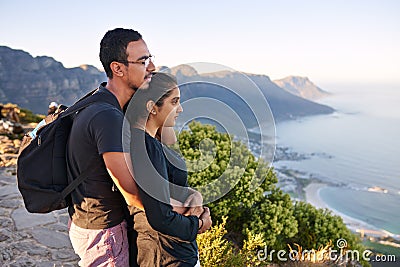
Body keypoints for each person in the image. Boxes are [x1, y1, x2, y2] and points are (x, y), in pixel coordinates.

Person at [66, 28, 155, 266]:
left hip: (88, 221)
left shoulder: (98, 101)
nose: (152, 67)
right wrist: (185, 212)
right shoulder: (107, 116)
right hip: (104, 232)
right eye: (144, 60)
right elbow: (132, 193)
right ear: (118, 68)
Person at [126, 72, 212, 267]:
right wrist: (199, 224)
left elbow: (165, 189)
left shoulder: (149, 141)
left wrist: (194, 196)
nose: (180, 109)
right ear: (152, 107)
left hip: (171, 251)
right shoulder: (146, 146)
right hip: (166, 254)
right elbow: (160, 215)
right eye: (174, 102)